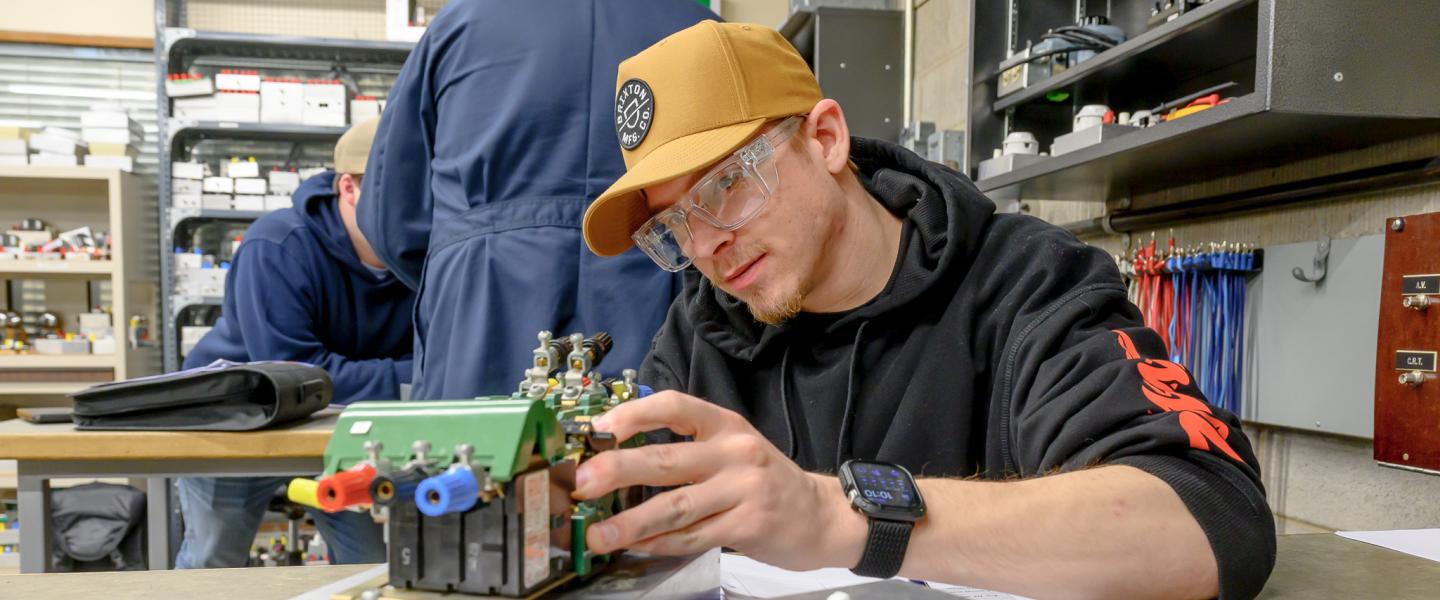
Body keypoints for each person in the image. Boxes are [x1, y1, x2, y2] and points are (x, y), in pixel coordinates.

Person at [574, 21, 1275, 599]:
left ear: (825, 139)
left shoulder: (1026, 282)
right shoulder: (703, 331)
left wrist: (838, 518)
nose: (707, 246)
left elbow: (1205, 520)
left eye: (726, 186)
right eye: (674, 228)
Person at [358, 0, 714, 399]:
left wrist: (464, 263)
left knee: (473, 454)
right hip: (656, 295)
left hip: (480, 304)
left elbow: (389, 220)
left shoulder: (461, 23)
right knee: (654, 447)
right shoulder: (701, 30)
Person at [175, 117, 412, 568]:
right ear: (349, 188)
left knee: (370, 562)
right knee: (213, 563)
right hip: (234, 419)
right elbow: (293, 375)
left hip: (342, 431)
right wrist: (409, 376)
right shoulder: (277, 245)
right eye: (394, 191)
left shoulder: (416, 263)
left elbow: (432, 356)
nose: (411, 209)